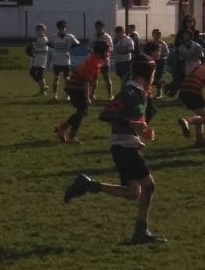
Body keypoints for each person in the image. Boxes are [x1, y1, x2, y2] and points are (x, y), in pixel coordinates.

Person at [63, 53, 166, 245]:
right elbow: (106, 114)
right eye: (154, 73)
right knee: (149, 186)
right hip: (124, 146)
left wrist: (142, 132)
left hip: (126, 144)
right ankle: (140, 232)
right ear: (148, 73)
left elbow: (132, 120)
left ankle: (89, 185)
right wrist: (132, 125)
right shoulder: (129, 92)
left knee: (133, 193)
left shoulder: (140, 92)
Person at [55, 40, 108, 144]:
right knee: (82, 111)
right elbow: (86, 81)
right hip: (76, 88)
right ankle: (67, 132)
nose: (109, 53)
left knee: (82, 111)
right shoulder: (93, 62)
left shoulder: (96, 60)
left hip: (77, 87)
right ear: (101, 52)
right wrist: (87, 97)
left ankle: (65, 130)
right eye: (107, 51)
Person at [49, 19, 79, 101]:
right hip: (56, 61)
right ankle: (54, 95)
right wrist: (55, 48)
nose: (61, 29)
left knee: (66, 79)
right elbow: (48, 43)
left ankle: (67, 95)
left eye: (63, 28)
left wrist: (69, 48)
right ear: (57, 28)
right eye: (60, 28)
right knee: (56, 78)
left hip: (66, 61)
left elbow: (77, 43)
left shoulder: (70, 36)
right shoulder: (54, 37)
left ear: (65, 28)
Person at [90, 20, 114, 101]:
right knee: (94, 78)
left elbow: (111, 49)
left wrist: (105, 55)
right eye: (96, 27)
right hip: (95, 61)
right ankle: (92, 94)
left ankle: (110, 95)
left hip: (104, 61)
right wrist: (91, 50)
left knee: (106, 77)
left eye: (99, 27)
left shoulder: (107, 37)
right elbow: (90, 46)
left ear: (103, 27)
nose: (98, 28)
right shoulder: (94, 36)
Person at [28, 23, 49, 96]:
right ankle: (43, 88)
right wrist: (34, 48)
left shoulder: (44, 39)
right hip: (37, 58)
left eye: (41, 30)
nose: (39, 31)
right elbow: (38, 48)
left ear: (44, 30)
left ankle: (43, 89)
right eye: (38, 30)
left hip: (41, 59)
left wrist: (35, 50)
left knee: (37, 73)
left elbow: (46, 50)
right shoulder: (39, 38)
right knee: (33, 73)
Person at [150, 28, 170, 99]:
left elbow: (167, 52)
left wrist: (160, 54)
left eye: (159, 34)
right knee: (152, 77)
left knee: (158, 76)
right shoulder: (151, 44)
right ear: (153, 35)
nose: (157, 35)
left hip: (160, 62)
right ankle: (149, 92)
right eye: (155, 34)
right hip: (152, 61)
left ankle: (159, 93)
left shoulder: (163, 43)